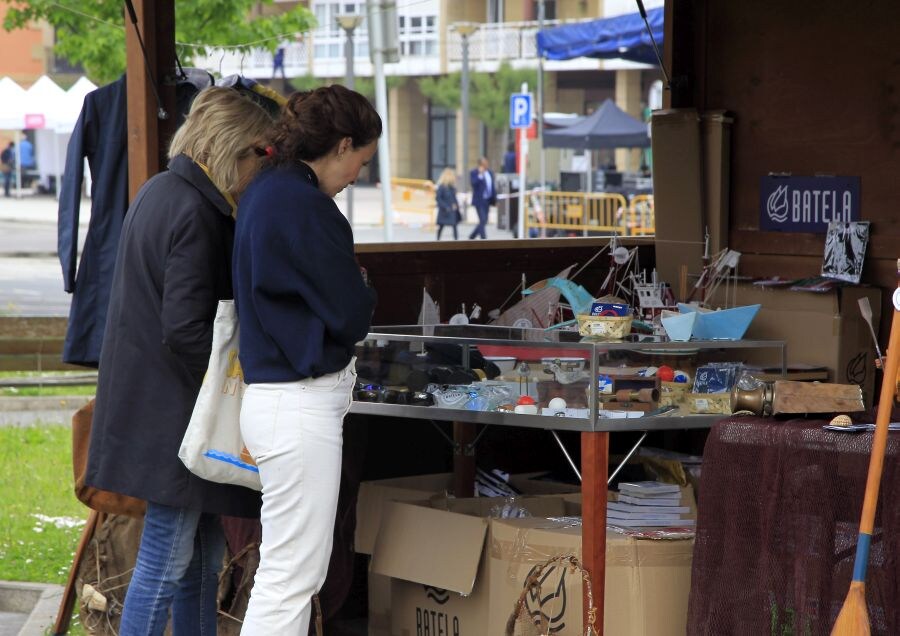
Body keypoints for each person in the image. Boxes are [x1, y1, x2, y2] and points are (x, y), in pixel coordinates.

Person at [84, 87, 274, 636]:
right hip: (176, 420)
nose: (264, 169)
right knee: (166, 566)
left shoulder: (162, 191)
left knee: (200, 564)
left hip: (159, 412)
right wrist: (240, 388)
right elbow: (187, 331)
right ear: (232, 147)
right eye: (262, 154)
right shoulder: (195, 210)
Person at [233, 84, 379, 634]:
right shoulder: (304, 205)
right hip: (298, 402)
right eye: (361, 162)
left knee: (288, 571)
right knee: (292, 575)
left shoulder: (266, 188)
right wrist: (363, 287)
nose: (358, 175)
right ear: (341, 145)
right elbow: (350, 312)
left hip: (276, 398)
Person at [468, 156, 496, 239]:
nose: (486, 165)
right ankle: (484, 239)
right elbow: (473, 184)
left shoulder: (490, 173)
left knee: (485, 220)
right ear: (480, 164)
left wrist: (495, 199)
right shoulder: (474, 172)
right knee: (483, 219)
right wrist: (480, 175)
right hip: (479, 201)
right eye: (484, 164)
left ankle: (472, 236)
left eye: (487, 163)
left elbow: (492, 187)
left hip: (487, 200)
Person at [435, 167, 460, 240]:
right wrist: (445, 206)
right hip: (444, 210)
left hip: (451, 210)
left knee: (454, 226)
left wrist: (456, 205)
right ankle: (438, 240)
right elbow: (438, 198)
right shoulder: (441, 187)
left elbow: (454, 198)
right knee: (441, 226)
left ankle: (456, 241)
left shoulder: (452, 187)